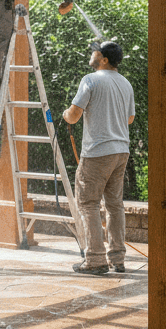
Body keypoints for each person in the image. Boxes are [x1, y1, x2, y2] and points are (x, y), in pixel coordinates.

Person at [62, 41, 135, 275]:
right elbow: (130, 119)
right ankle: (118, 257)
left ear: (103, 59)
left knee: (88, 203)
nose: (92, 54)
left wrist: (66, 114)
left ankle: (94, 259)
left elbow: (73, 116)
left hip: (97, 152)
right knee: (115, 205)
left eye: (96, 51)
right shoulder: (125, 83)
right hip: (121, 150)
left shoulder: (90, 80)